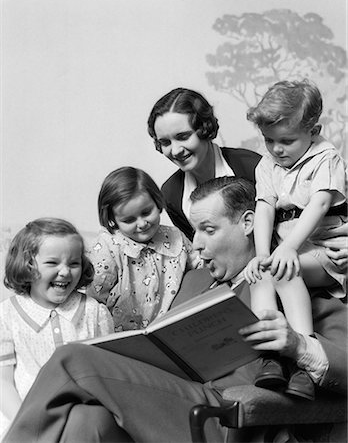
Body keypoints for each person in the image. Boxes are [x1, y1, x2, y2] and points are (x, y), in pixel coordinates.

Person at [4, 178, 346, 443]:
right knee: (86, 421)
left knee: (72, 359)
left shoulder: (295, 280)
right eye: (194, 231)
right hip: (164, 404)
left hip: (225, 419)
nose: (196, 243)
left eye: (208, 230)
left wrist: (299, 345)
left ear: (247, 224)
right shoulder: (193, 281)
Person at [243, 80, 347, 400]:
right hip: (287, 250)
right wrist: (262, 253)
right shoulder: (267, 165)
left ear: (313, 130)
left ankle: (303, 356)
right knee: (263, 273)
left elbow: (319, 204)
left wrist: (287, 247)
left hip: (323, 250)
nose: (277, 149)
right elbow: (264, 207)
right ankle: (271, 356)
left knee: (287, 272)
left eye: (286, 141)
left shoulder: (325, 157)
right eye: (269, 140)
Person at [0, 218, 114, 438]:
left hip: (82, 414)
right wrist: (24, 423)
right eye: (52, 263)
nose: (65, 272)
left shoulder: (94, 312)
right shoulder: (7, 315)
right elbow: (2, 381)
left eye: (74, 263)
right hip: (24, 414)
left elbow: (107, 372)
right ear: (27, 265)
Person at [86, 166, 201, 331]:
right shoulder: (107, 247)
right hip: (122, 338)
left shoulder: (175, 237)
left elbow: (201, 269)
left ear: (157, 201)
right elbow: (93, 300)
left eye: (147, 212)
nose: (141, 224)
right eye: (129, 220)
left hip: (173, 330)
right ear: (113, 219)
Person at [147, 87, 262, 240]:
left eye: (183, 137)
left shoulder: (253, 166)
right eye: (165, 142)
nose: (175, 151)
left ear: (205, 128)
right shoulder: (171, 193)